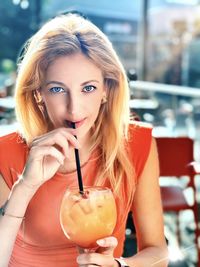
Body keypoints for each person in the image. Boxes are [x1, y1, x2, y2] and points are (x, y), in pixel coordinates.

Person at [0, 13, 168, 267]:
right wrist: (24, 186)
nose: (74, 109)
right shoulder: (5, 152)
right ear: (38, 95)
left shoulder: (135, 144)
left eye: (88, 88)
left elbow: (158, 252)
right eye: (57, 89)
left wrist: (120, 265)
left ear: (105, 91)